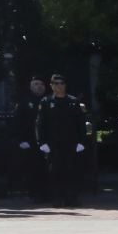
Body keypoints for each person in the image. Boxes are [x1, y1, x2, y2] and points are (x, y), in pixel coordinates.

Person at [36, 75, 92, 207]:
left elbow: (81, 123)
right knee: (55, 171)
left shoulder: (73, 101)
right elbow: (40, 123)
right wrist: (42, 142)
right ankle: (57, 198)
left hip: (71, 142)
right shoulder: (46, 101)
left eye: (61, 83)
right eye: (56, 83)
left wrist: (82, 141)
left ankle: (72, 198)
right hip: (53, 143)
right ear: (51, 85)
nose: (59, 86)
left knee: (73, 171)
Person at [12, 77, 48, 201]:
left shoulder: (48, 100)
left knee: (47, 167)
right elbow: (17, 122)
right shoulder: (24, 101)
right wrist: (20, 140)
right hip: (30, 140)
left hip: (47, 140)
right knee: (33, 168)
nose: (39, 86)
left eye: (41, 84)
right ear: (31, 86)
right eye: (36, 84)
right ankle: (35, 193)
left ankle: (48, 193)